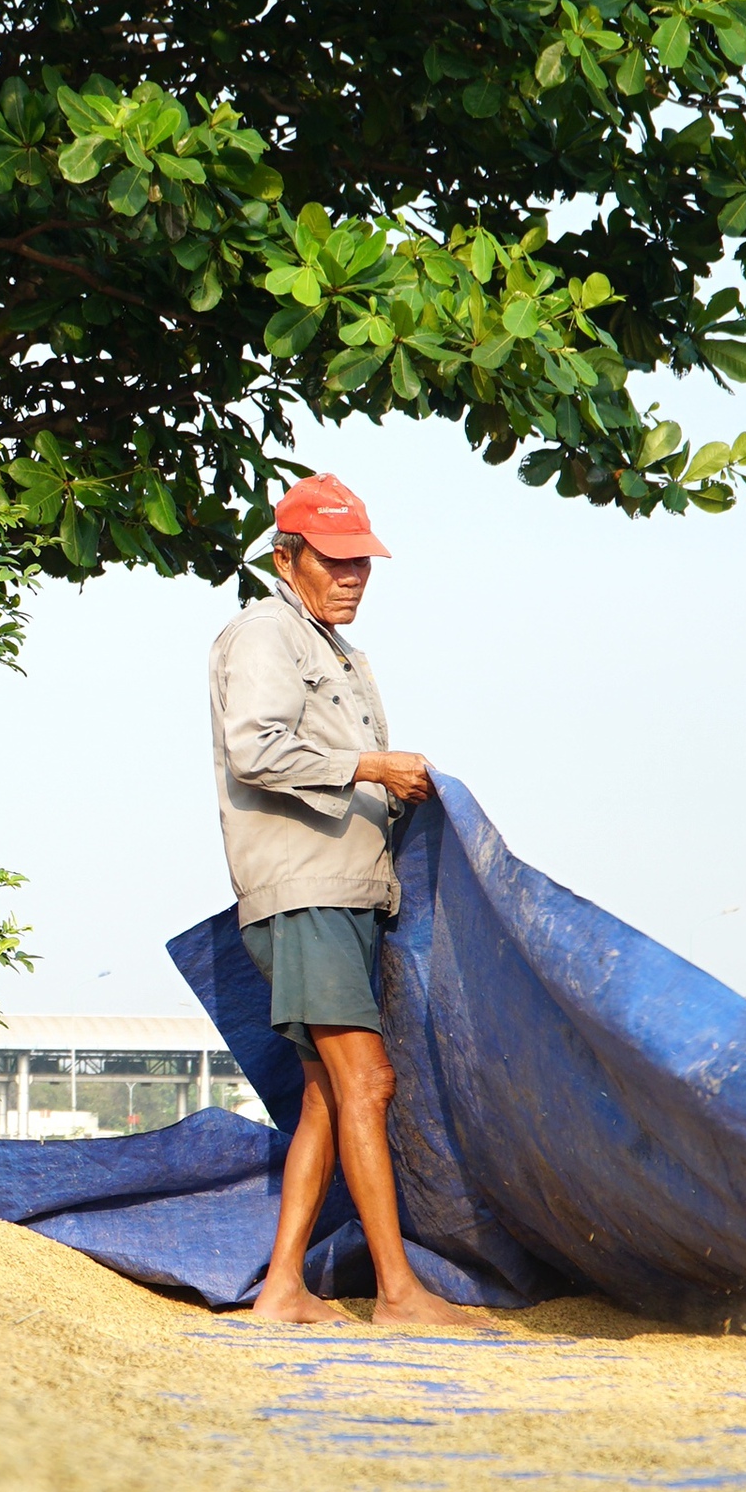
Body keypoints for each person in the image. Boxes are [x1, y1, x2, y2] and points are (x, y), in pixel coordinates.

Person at [208, 473, 476, 1327]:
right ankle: (398, 1293)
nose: (354, 575)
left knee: (328, 1091)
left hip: (351, 890)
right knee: (369, 1081)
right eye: (336, 560)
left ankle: (283, 1286)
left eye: (363, 561)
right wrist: (372, 767)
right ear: (286, 558)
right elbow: (256, 749)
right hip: (306, 891)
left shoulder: (341, 654)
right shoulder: (262, 634)